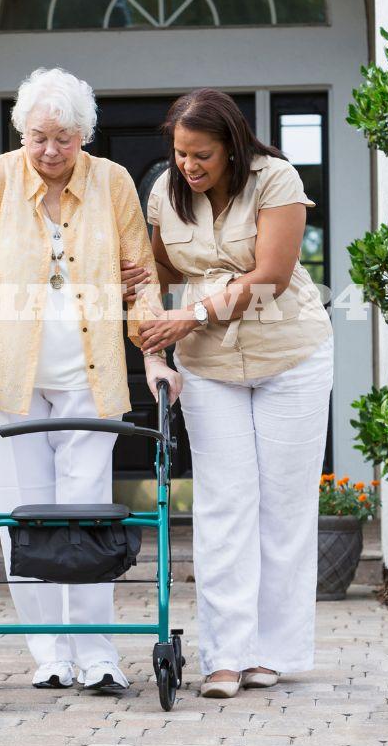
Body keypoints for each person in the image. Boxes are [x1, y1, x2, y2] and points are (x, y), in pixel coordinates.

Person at [0, 67, 181, 693]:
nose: (50, 151)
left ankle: (98, 654)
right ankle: (49, 654)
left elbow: (140, 279)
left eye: (64, 138)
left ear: (86, 136)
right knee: (24, 518)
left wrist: (155, 355)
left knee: (87, 521)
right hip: (13, 382)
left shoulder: (113, 182)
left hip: (89, 375)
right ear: (21, 130)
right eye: (38, 137)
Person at [140, 88, 333, 699]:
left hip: (290, 355)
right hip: (209, 366)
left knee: (284, 506)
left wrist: (191, 314)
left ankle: (270, 653)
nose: (189, 167)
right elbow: (159, 270)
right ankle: (223, 658)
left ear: (233, 147)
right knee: (224, 507)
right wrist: (138, 281)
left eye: (202, 155)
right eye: (180, 155)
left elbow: (272, 276)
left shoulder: (275, 178)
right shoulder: (164, 193)